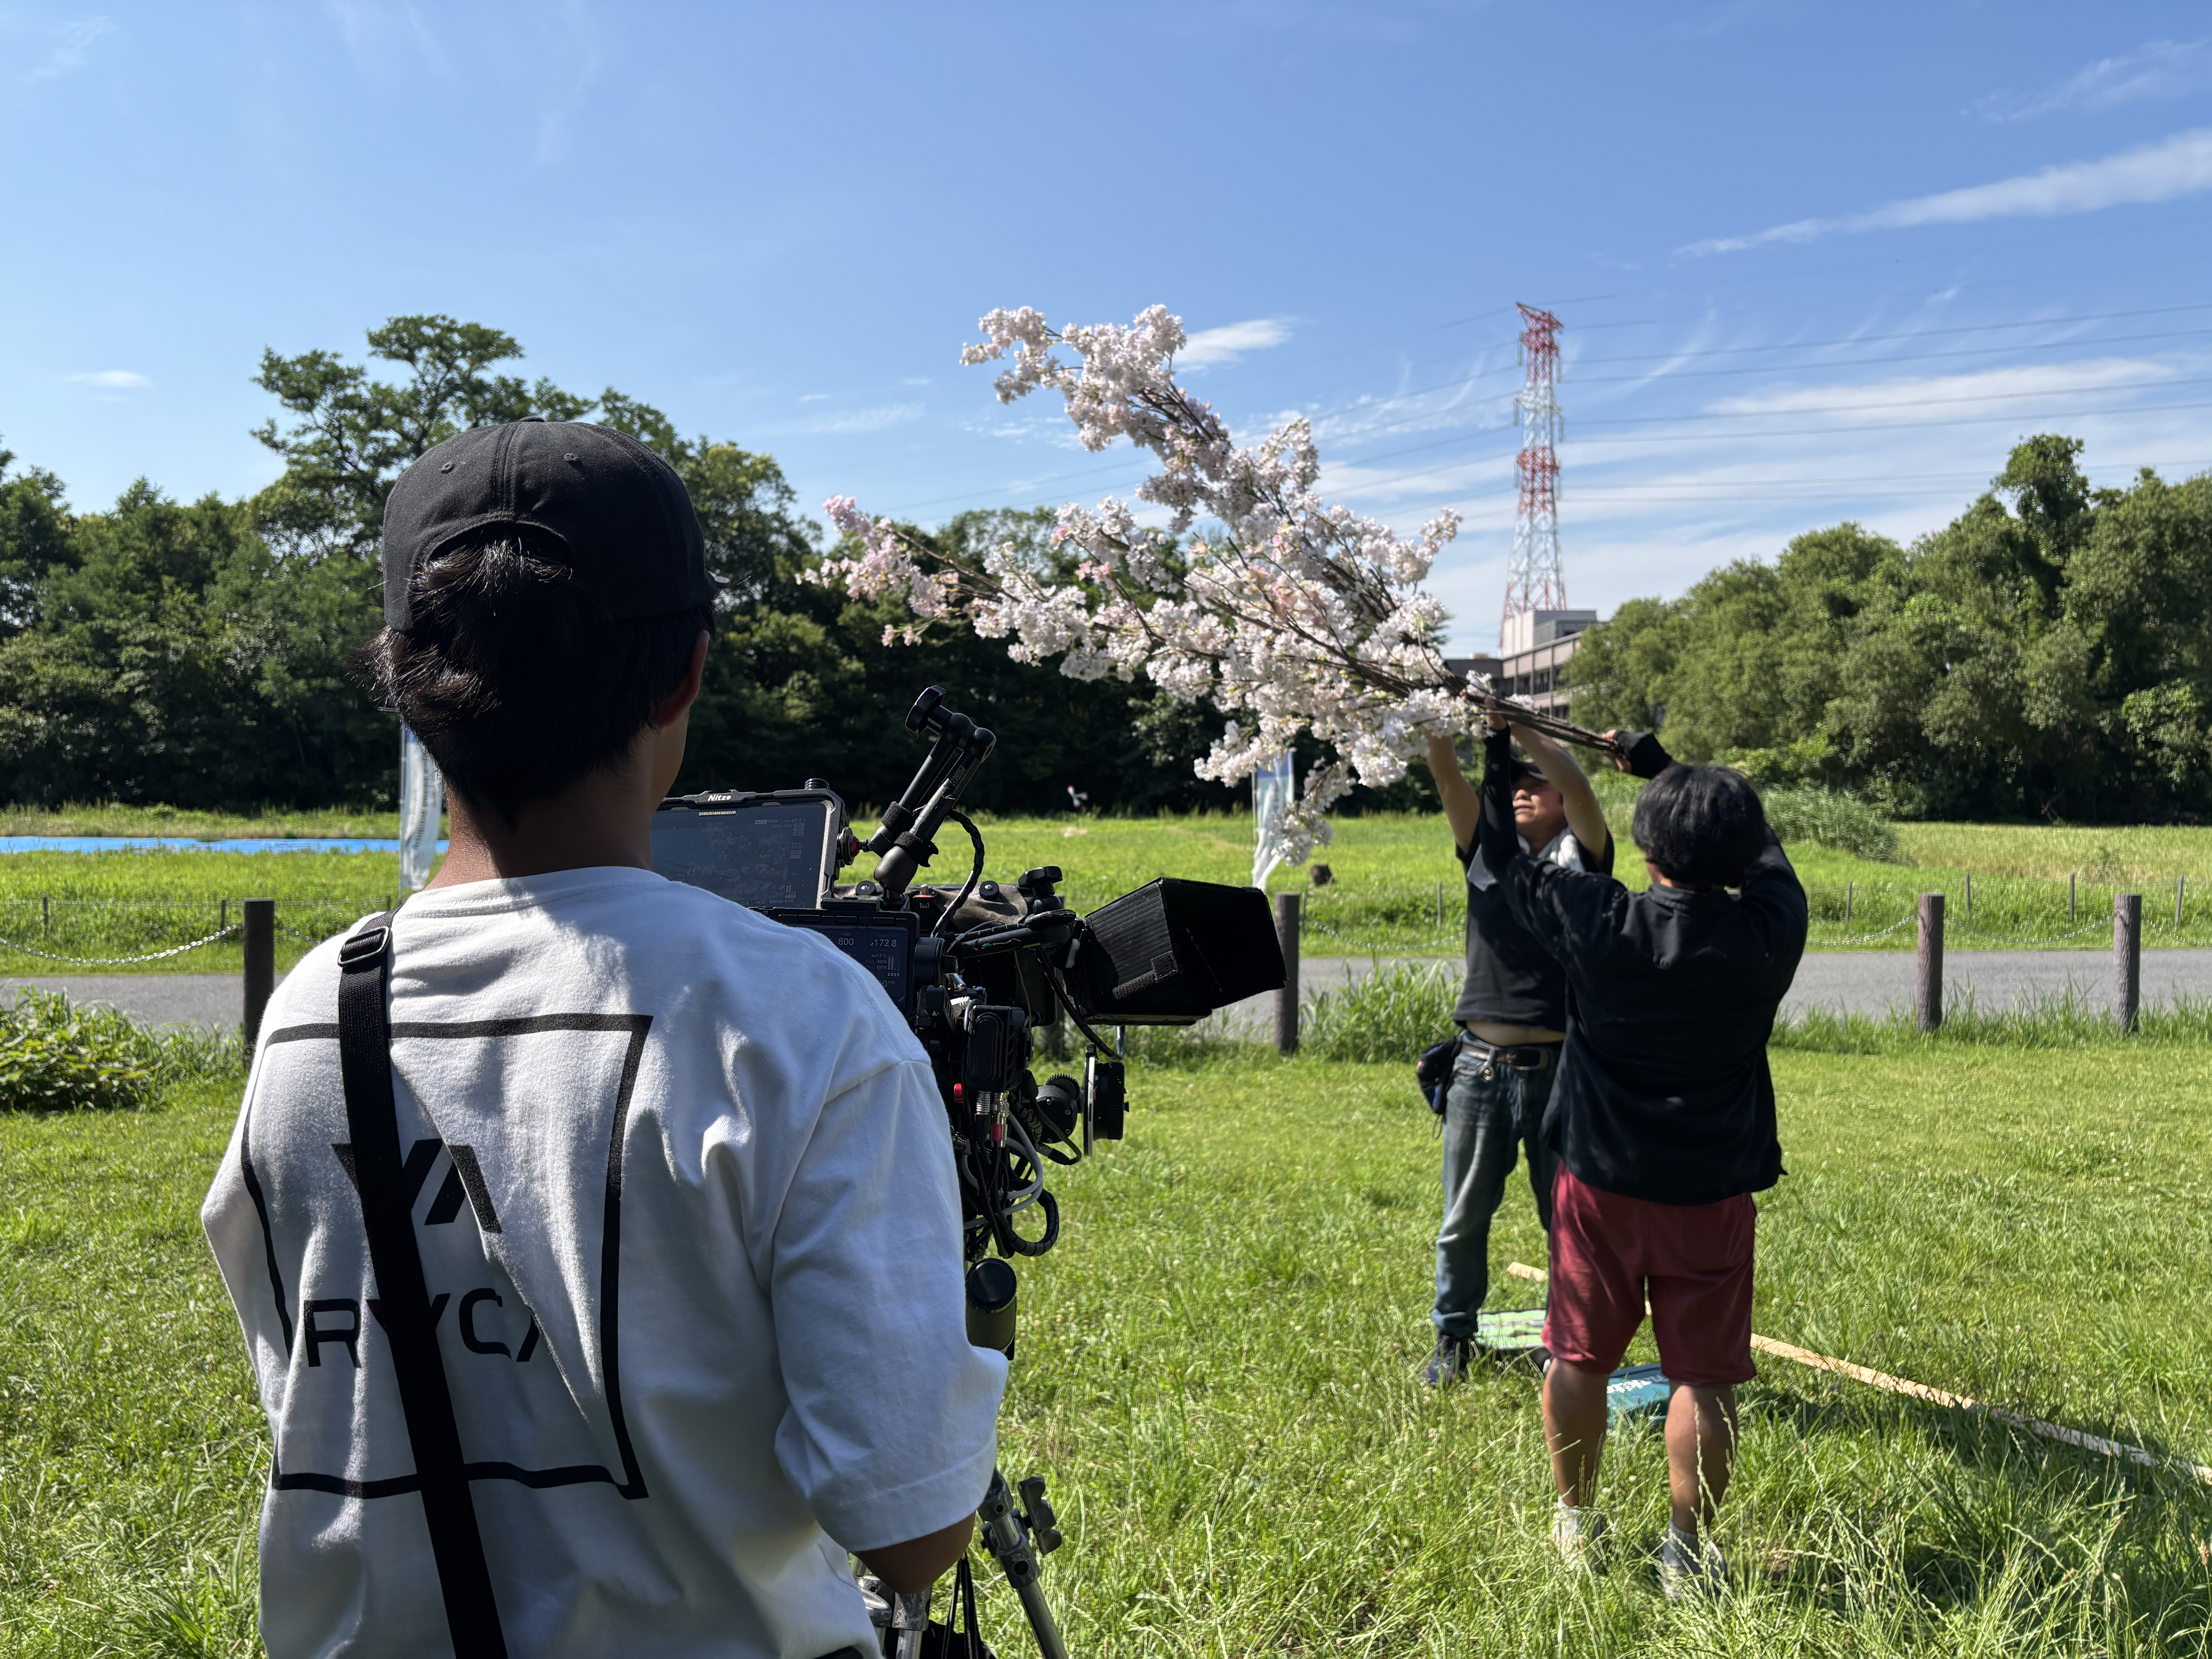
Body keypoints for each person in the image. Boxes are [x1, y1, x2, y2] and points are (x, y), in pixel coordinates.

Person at [201, 419, 1005, 1657]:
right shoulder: (800, 1018)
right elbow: (907, 1533)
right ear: (684, 672)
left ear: (408, 687)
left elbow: (317, 1397)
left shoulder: (315, 1009)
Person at [1472, 720, 1806, 1599]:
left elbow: (1499, 858)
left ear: (1648, 847)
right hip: (1712, 1186)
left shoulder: (1596, 918)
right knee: (1705, 1375)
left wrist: (1495, 749)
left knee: (1580, 1355)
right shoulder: (1768, 934)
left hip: (1601, 1181)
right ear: (1730, 853)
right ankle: (1688, 1551)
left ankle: (1575, 1522)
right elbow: (1764, 852)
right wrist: (1662, 768)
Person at [1416, 723, 1613, 1386]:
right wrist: (1439, 719)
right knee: (1464, 1216)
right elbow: (1447, 776)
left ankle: (1569, 1343)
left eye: (1539, 786)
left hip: (1564, 1074)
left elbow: (1580, 786)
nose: (1526, 793)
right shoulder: (1484, 856)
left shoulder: (1582, 861)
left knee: (1568, 1220)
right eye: (1517, 786)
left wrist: (1520, 729)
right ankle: (1453, 1341)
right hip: (1479, 1066)